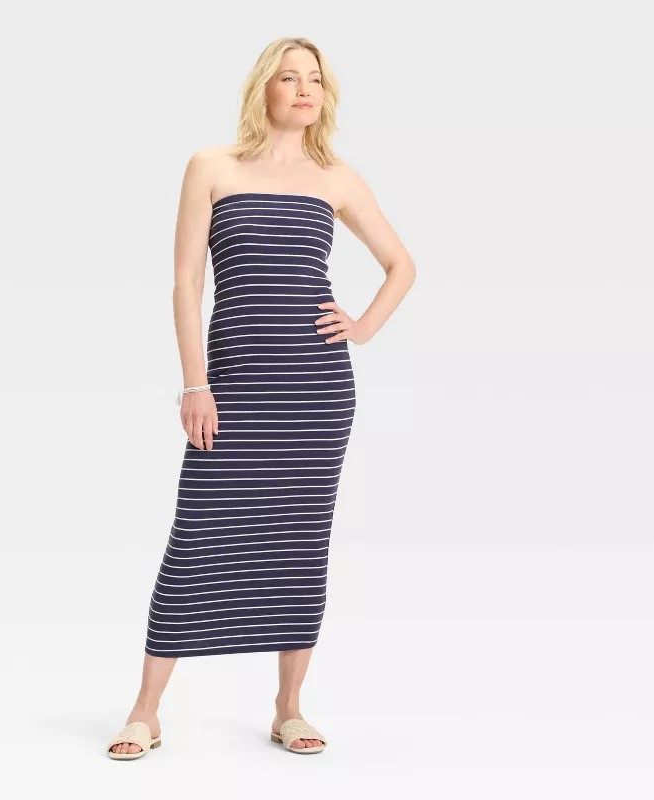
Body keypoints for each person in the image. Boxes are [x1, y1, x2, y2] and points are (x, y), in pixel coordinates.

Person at [107, 36, 416, 760]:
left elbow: (401, 264)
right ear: (263, 88)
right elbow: (187, 282)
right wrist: (195, 382)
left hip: (315, 392)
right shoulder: (212, 167)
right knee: (196, 537)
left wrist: (363, 326)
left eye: (315, 79)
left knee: (300, 542)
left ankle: (288, 708)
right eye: (289, 77)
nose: (304, 89)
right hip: (234, 386)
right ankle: (146, 710)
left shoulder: (336, 177)